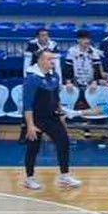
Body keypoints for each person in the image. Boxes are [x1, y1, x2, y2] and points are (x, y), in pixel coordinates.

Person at [21, 48, 79, 191]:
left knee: (63, 142)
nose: (52, 61)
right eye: (49, 59)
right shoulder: (31, 79)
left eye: (53, 59)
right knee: (33, 149)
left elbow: (56, 97)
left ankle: (64, 175)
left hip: (52, 117)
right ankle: (29, 178)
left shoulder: (55, 76)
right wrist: (30, 126)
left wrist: (61, 112)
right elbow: (27, 104)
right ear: (40, 61)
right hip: (36, 119)